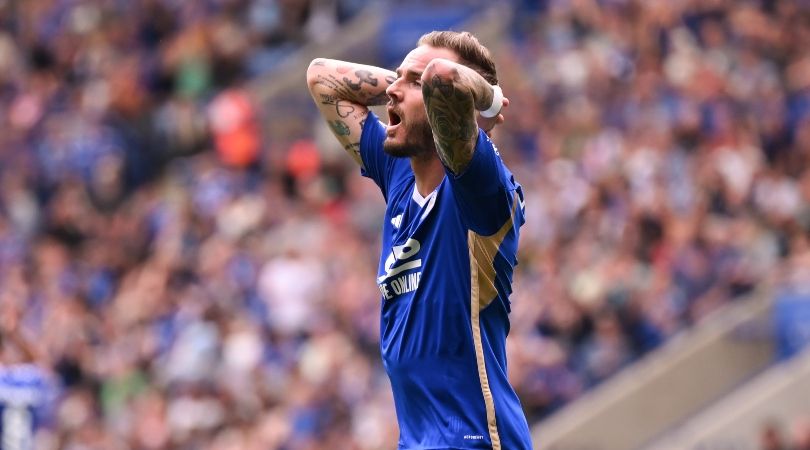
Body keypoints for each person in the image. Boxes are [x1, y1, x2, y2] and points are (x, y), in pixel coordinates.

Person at [306, 30, 532, 449]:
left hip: (474, 440)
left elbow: (443, 76)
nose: (392, 90)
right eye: (399, 77)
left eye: (414, 82)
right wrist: (403, 82)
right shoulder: (399, 175)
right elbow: (322, 77)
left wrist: (489, 100)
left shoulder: (480, 190)